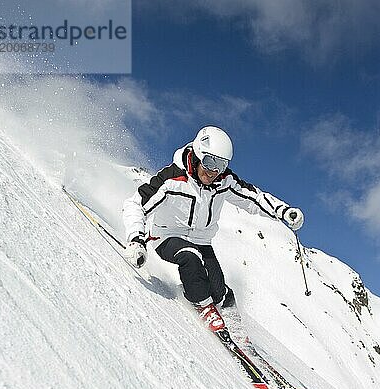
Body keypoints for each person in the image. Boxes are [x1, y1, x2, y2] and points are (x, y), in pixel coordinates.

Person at [123, 126, 304, 335]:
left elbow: (253, 197)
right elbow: (135, 204)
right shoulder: (172, 178)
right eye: (210, 162)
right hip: (166, 237)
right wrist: (136, 239)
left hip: (202, 240)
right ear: (198, 155)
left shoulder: (224, 182)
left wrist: (282, 211)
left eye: (221, 165)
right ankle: (202, 305)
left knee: (219, 290)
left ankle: (225, 312)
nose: (213, 172)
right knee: (190, 258)